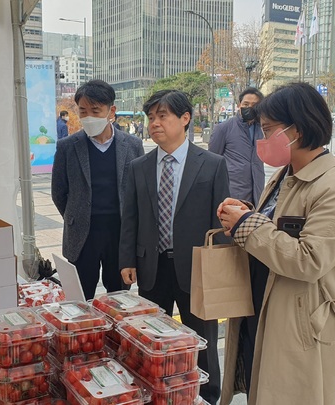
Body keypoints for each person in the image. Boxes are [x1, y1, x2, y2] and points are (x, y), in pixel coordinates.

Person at [218, 82, 335, 405]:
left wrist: (248, 225)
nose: (262, 139)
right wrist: (247, 216)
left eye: (268, 130)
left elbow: (309, 260)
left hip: (301, 325)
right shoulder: (285, 174)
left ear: (296, 130)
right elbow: (275, 230)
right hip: (267, 307)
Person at [119, 89, 229, 404]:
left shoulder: (211, 164)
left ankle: (207, 396)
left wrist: (217, 270)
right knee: (153, 341)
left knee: (202, 343)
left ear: (184, 118)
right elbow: (132, 216)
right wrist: (127, 258)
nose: (154, 123)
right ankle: (157, 393)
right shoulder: (139, 166)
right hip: (152, 268)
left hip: (197, 270)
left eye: (162, 116)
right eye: (151, 117)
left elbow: (220, 225)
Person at [51, 80, 144, 300]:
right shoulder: (67, 147)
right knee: (80, 299)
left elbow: (140, 191)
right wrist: (76, 216)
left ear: (111, 111)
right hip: (83, 236)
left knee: (119, 298)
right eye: (83, 111)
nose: (89, 117)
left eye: (95, 110)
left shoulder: (132, 145)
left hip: (119, 234)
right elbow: (59, 192)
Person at [208, 87, 266, 207]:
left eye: (254, 105)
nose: (250, 107)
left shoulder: (263, 130)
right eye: (246, 104)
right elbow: (212, 161)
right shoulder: (224, 128)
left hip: (257, 191)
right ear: (239, 105)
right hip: (232, 193)